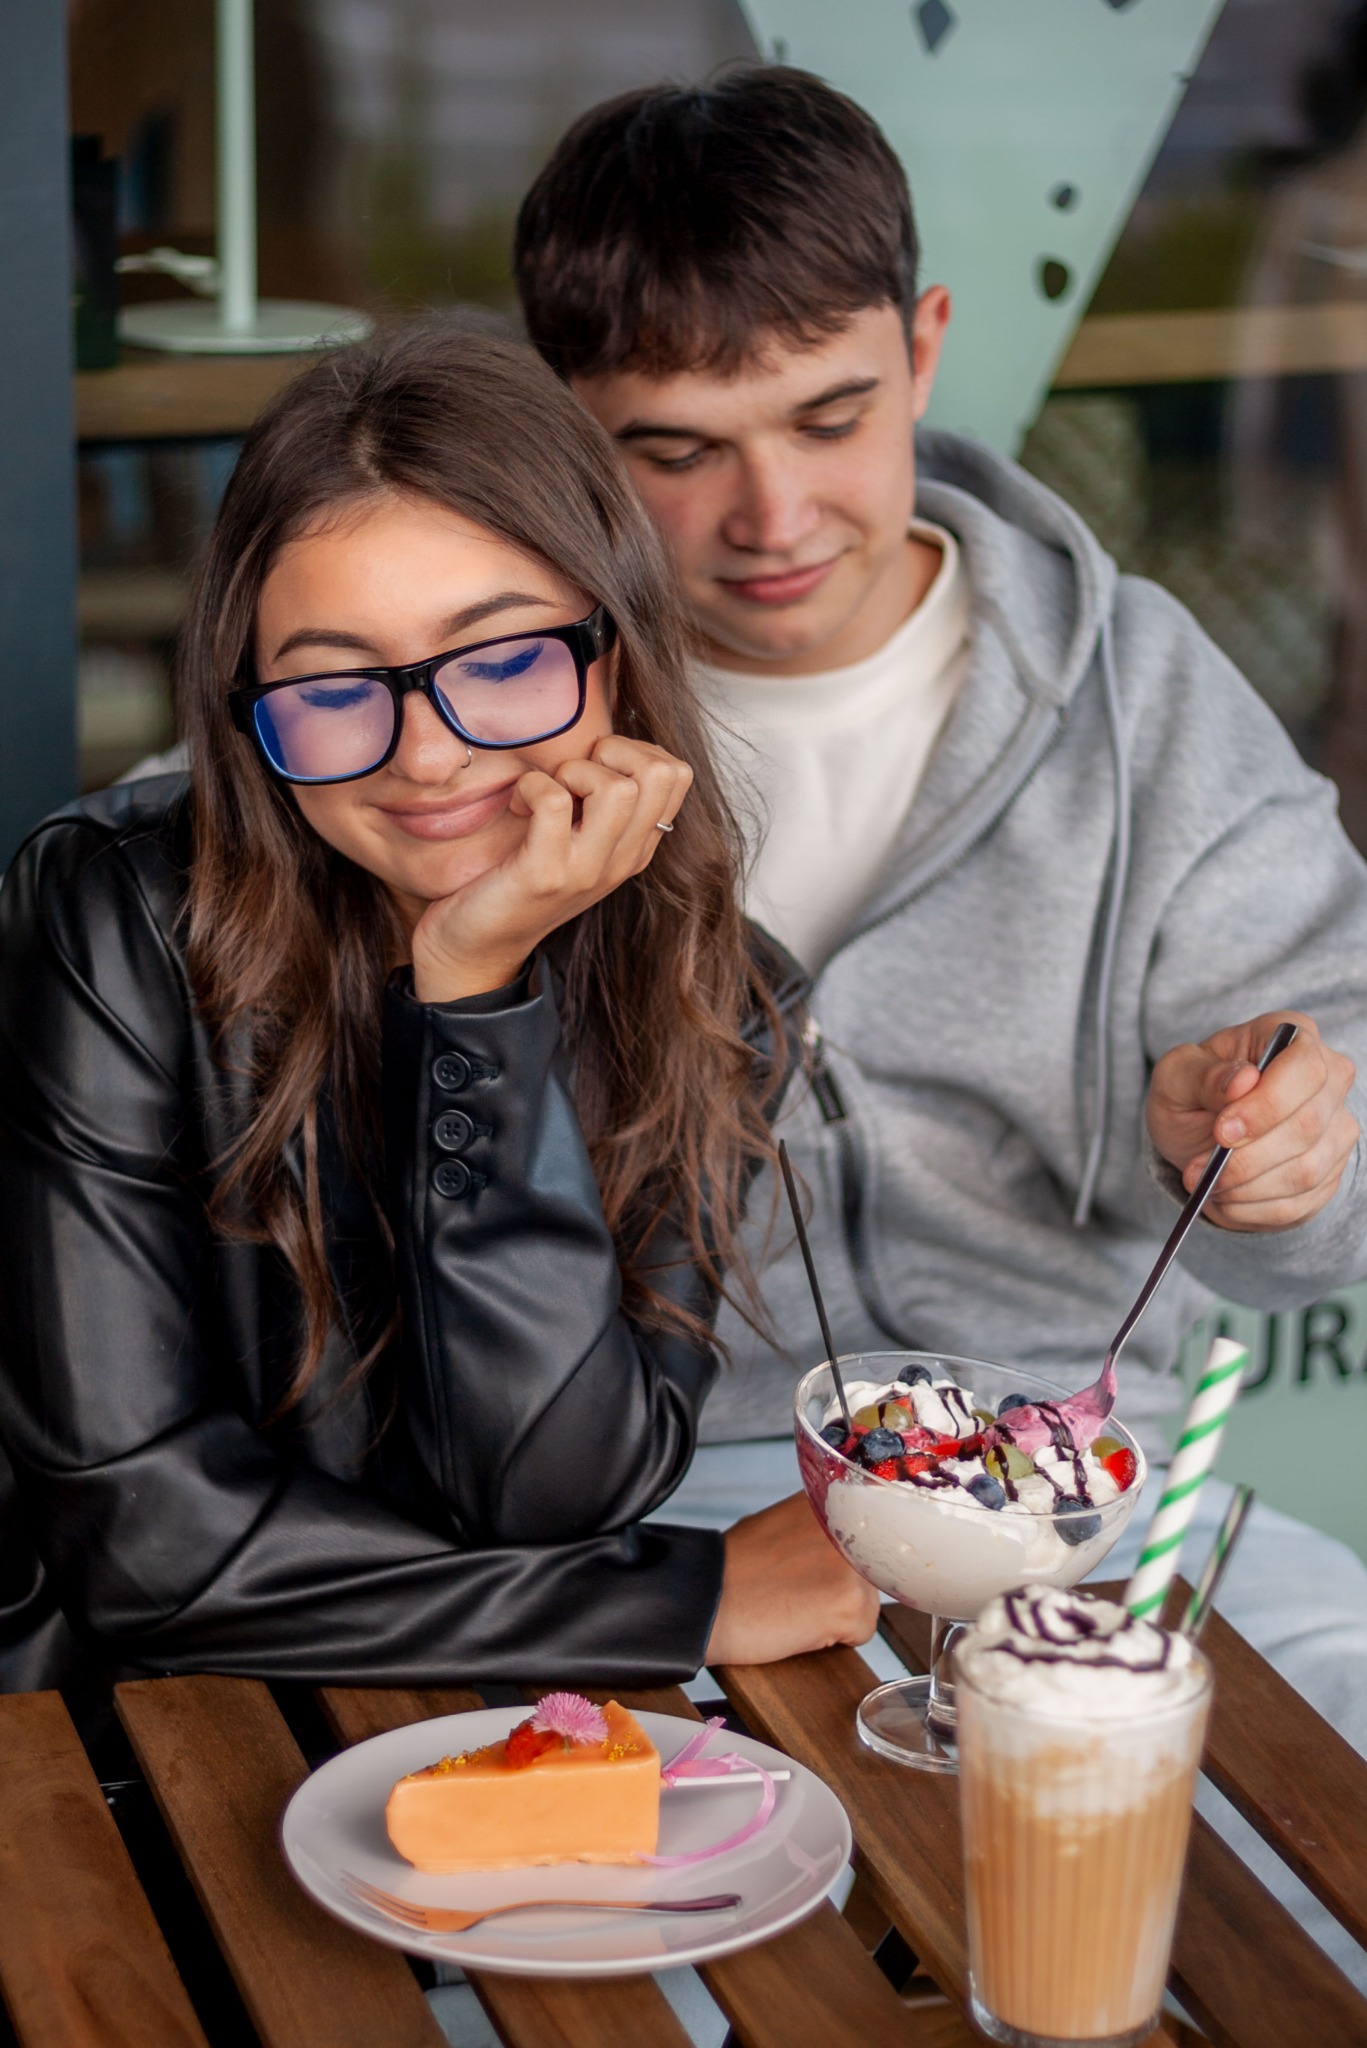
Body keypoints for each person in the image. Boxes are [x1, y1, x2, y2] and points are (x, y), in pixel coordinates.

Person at [513, 69, 1367, 1983]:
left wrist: (1262, 1152)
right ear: (561, 425)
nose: (773, 515)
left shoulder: (1147, 704)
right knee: (599, 1972)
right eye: (674, 449)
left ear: (927, 350)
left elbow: (1330, 1217)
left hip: (1097, 1506)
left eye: (832, 415)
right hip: (672, 1522)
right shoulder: (496, 698)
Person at [0, 321, 879, 1725]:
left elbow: (549, 1489)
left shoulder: (728, 995)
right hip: (131, 1754)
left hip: (475, 1714)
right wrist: (673, 1598)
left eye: (503, 660)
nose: (427, 752)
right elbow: (136, 1547)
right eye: (333, 685)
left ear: (618, 658)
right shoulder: (111, 921)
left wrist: (478, 995)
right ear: (249, 714)